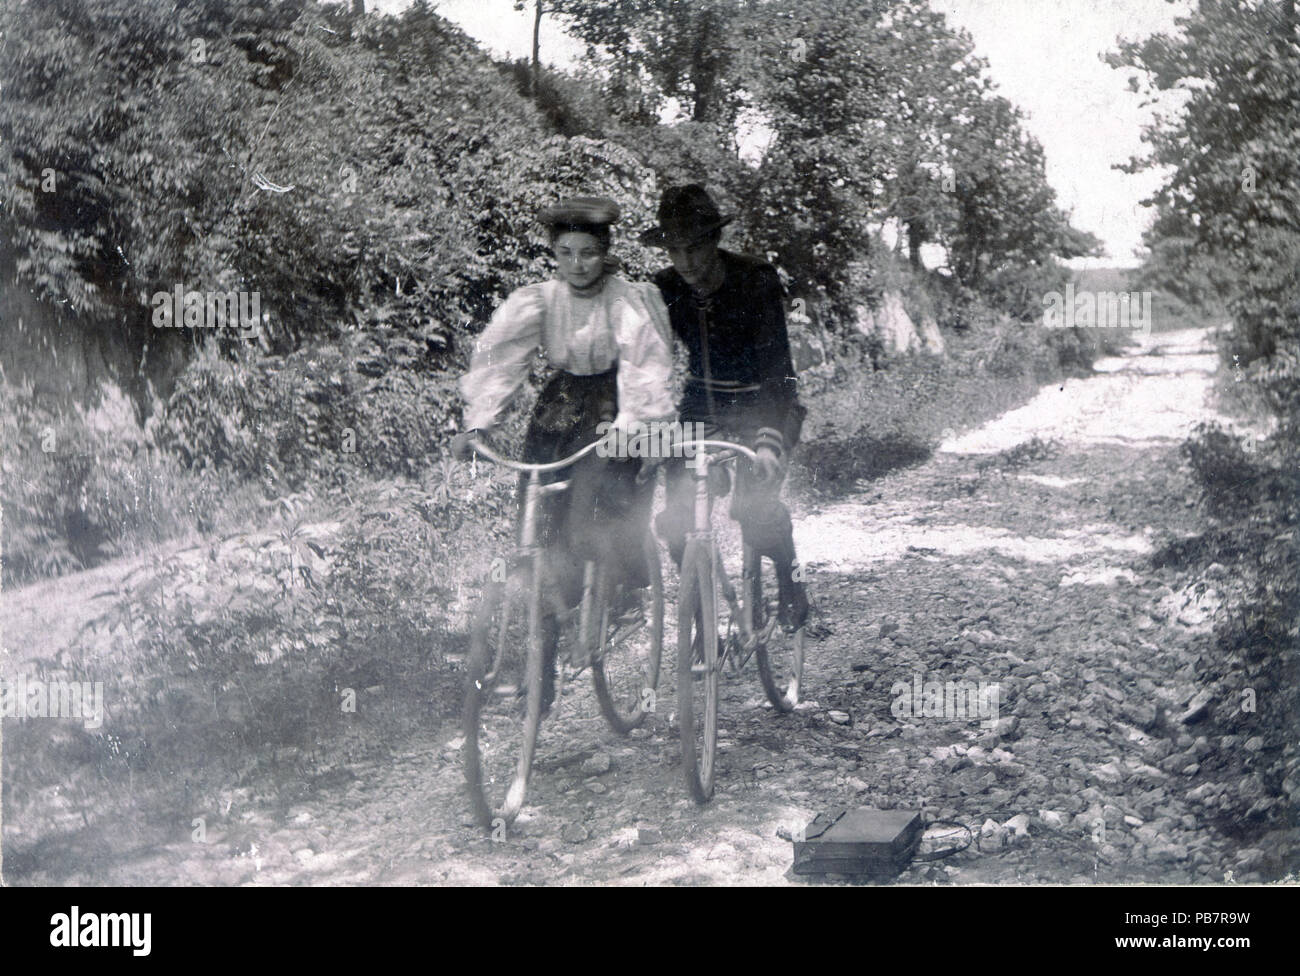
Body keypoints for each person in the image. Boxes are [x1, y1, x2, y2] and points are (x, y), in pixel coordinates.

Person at [451, 196, 674, 707]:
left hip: (613, 410)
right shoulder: (539, 300)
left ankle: (620, 592)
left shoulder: (626, 302)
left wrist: (633, 427)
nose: (578, 264)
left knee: (589, 517)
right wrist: (479, 423)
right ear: (554, 252)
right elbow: (501, 358)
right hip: (558, 412)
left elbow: (644, 369)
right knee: (539, 531)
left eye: (589, 253)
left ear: (606, 253)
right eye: (567, 252)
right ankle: (542, 669)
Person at [642, 184, 809, 628]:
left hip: (765, 399)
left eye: (695, 247)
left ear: (715, 241)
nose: (686, 262)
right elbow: (645, 359)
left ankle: (790, 575)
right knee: (677, 518)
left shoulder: (756, 278)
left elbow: (780, 369)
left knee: (754, 511)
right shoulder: (664, 288)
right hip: (702, 406)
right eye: (675, 250)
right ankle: (700, 618)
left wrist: (770, 439)